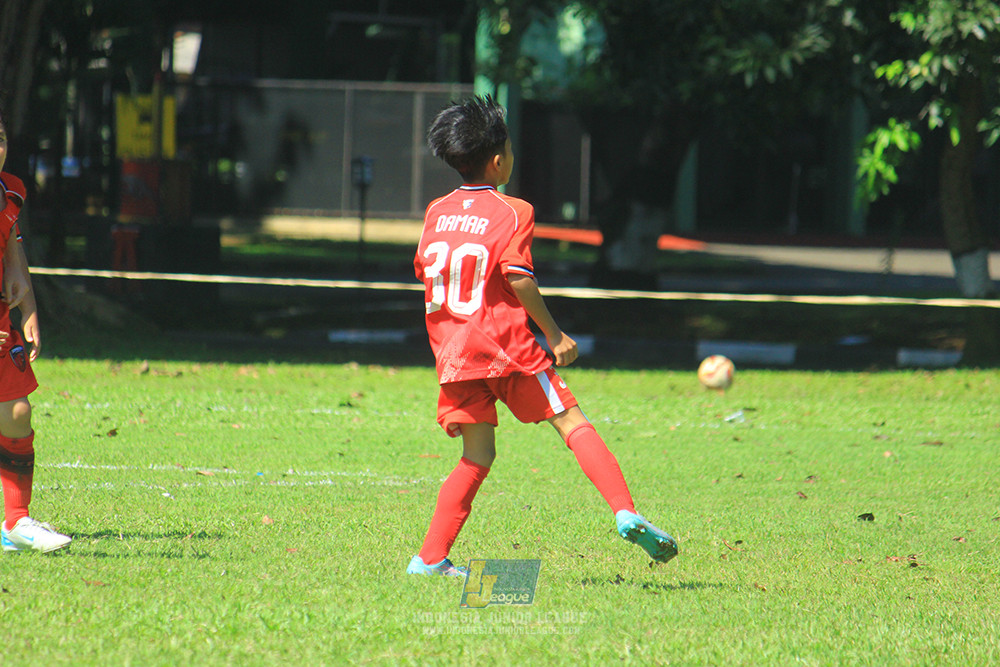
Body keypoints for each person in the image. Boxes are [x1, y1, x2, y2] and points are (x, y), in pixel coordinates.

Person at [407, 96, 676, 577]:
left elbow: (426, 271)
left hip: (453, 352)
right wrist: (554, 334)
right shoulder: (513, 211)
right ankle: (625, 510)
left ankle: (429, 559)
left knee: (477, 455)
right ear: (497, 159)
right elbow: (519, 276)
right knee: (573, 424)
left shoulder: (435, 212)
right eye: (509, 148)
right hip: (507, 349)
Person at [0, 106, 72, 553]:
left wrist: (28, 303)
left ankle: (16, 522)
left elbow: (12, 244)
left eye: (2, 138)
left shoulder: (11, 193)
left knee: (17, 412)